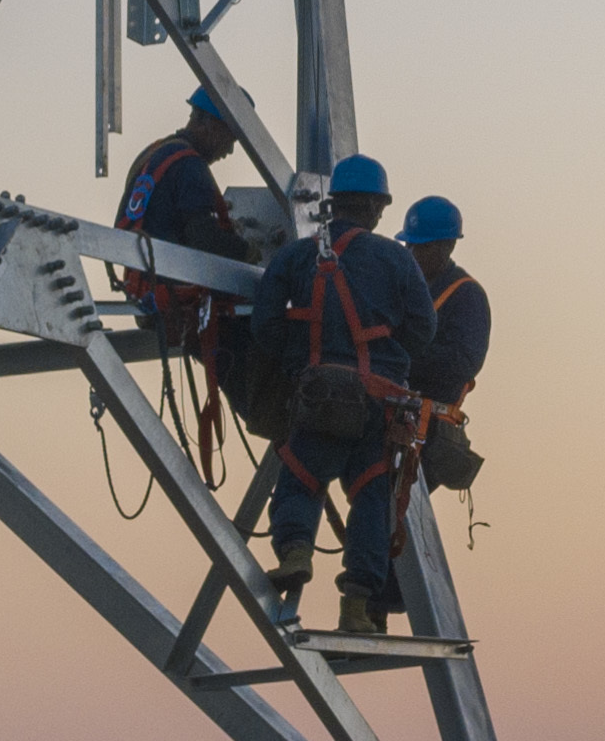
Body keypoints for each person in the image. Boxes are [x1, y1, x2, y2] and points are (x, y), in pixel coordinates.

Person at [250, 153, 433, 632]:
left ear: (334, 204)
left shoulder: (297, 256)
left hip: (318, 399)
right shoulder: (396, 259)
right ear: (376, 206)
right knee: (373, 494)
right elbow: (423, 328)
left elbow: (265, 323)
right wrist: (388, 357)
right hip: (378, 403)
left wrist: (303, 362)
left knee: (300, 477)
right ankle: (356, 607)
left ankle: (295, 551)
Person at [114, 86, 257, 366]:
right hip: (175, 299)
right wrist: (247, 251)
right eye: (230, 138)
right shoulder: (191, 165)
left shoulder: (154, 153)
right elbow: (203, 238)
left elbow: (161, 215)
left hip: (143, 290)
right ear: (209, 124)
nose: (228, 151)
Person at [400, 195, 485, 406]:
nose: (411, 253)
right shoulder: (400, 286)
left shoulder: (467, 296)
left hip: (431, 426)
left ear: (448, 246)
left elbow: (463, 362)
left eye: (422, 247)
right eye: (408, 245)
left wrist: (401, 356)